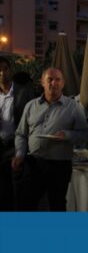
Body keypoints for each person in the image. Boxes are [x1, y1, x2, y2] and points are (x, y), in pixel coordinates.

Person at [12, 68, 86, 211]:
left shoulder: (74, 107)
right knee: (26, 203)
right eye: (50, 79)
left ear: (63, 83)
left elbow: (84, 134)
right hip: (33, 162)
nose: (54, 83)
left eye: (58, 79)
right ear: (42, 83)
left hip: (60, 165)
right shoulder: (30, 106)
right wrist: (20, 154)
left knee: (57, 205)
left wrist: (68, 135)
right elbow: (21, 134)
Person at [0, 58, 35, 211]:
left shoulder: (24, 92)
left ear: (10, 71)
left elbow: (33, 120)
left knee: (19, 191)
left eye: (5, 69)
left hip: (17, 146)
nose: (2, 73)